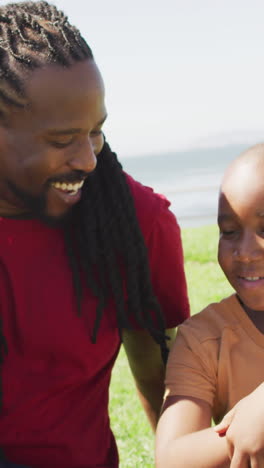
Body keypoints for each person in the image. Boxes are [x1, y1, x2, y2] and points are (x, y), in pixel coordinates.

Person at [0, 1, 190, 467]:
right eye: (63, 140)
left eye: (96, 132)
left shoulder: (134, 221)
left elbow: (157, 368)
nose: (87, 159)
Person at [155, 143, 264, 468]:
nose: (244, 252)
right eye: (229, 231)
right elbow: (171, 458)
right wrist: (242, 431)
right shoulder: (204, 338)